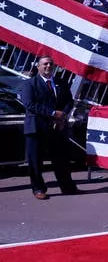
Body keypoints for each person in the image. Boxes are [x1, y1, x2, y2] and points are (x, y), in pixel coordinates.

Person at [21, 56, 78, 199]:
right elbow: (29, 104)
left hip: (57, 128)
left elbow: (69, 102)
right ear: (38, 67)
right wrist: (53, 113)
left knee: (61, 159)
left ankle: (67, 186)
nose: (48, 66)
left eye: (51, 64)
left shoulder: (61, 83)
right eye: (45, 64)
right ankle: (38, 189)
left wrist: (63, 115)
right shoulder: (30, 84)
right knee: (36, 161)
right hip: (36, 128)